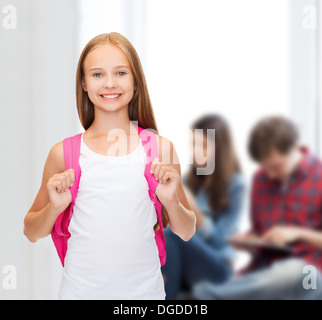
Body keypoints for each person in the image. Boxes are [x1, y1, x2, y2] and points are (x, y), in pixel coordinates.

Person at [23, 32, 196, 300]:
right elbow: (31, 231)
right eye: (97, 75)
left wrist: (171, 202)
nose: (110, 84)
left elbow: (186, 231)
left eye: (121, 73)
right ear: (83, 83)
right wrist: (54, 207)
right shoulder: (63, 153)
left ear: (136, 81)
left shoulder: (160, 150)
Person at [193, 116, 322, 299]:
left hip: (310, 273)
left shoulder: (319, 177)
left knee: (296, 271)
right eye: (265, 167)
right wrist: (250, 241)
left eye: (276, 167)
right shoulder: (261, 179)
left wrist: (299, 234)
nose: (269, 174)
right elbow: (260, 235)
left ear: (294, 148)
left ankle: (208, 296)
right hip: (265, 274)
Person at [161, 114, 246, 299]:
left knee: (171, 236)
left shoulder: (236, 186)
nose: (197, 151)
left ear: (221, 149)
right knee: (165, 237)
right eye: (194, 144)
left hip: (219, 266)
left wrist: (197, 215)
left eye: (204, 146)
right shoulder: (187, 181)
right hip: (187, 263)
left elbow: (222, 243)